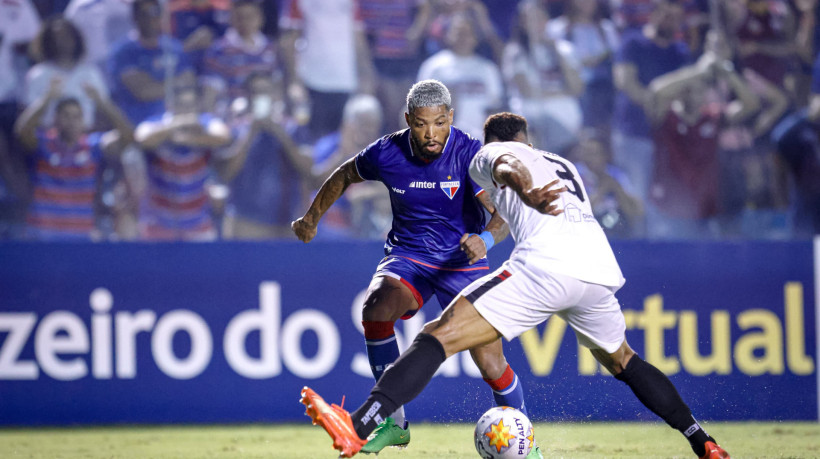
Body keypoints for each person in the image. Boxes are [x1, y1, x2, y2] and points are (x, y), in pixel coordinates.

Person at [300, 112, 732, 459]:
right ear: (530, 138)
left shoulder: (490, 154)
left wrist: (523, 189)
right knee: (624, 361)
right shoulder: (563, 164)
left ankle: (358, 426)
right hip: (598, 273)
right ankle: (703, 441)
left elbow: (505, 165)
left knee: (437, 336)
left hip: (546, 269)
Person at [292, 80, 541, 458]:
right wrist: (311, 218)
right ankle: (394, 424)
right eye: (422, 124)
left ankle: (527, 445)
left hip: (462, 260)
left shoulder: (470, 155)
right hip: (409, 255)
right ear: (408, 119)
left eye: (440, 123)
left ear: (451, 118)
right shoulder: (386, 152)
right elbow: (345, 173)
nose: (431, 133)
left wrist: (485, 241)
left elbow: (501, 214)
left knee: (490, 362)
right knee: (376, 308)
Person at [14, 79, 134, 240]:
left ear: (83, 121)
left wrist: (102, 102)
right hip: (41, 235)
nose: (72, 122)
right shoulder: (43, 144)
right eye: (66, 116)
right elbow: (21, 131)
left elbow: (128, 137)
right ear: (55, 119)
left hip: (81, 236)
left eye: (77, 117)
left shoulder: (94, 146)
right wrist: (47, 98)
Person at [132, 84, 234, 241]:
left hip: (198, 223)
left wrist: (185, 139)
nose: (186, 109)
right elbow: (142, 138)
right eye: (181, 104)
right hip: (157, 223)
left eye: (190, 105)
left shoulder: (205, 122)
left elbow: (223, 136)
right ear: (170, 105)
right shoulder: (156, 122)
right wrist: (177, 125)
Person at [417, 12, 505, 140]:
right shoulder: (433, 67)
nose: (463, 38)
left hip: (480, 137)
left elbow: (495, 106)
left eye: (468, 33)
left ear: (475, 37)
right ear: (447, 35)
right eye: (458, 32)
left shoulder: (487, 68)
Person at [25, 15, 109, 129]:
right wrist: (47, 98)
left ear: (76, 39)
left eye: (66, 36)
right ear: (47, 41)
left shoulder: (91, 72)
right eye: (56, 38)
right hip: (48, 141)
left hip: (87, 138)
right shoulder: (37, 74)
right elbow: (26, 120)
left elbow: (104, 112)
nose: (62, 42)